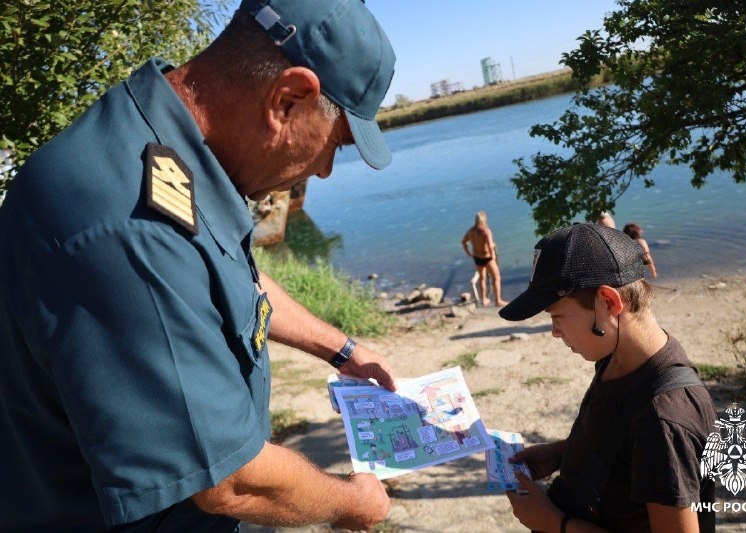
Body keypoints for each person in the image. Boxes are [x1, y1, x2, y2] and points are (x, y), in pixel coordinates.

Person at [0, 1, 398, 530]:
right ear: (287, 100)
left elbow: (226, 277)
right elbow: (230, 481)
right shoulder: (131, 223)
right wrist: (354, 503)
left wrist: (342, 350)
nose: (324, 171)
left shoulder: (162, 142)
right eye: (339, 143)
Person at [499, 223, 716, 533]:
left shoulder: (662, 419)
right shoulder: (618, 358)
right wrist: (562, 453)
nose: (554, 332)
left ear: (609, 303)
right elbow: (622, 443)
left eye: (556, 315)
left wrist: (553, 522)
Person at [461, 210, 509, 307]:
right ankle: (498, 300)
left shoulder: (471, 231)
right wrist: (493, 256)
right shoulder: (486, 231)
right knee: (496, 277)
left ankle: (484, 299)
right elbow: (490, 245)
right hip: (487, 257)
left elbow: (464, 242)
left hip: (477, 257)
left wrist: (468, 253)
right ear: (484, 220)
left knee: (482, 278)